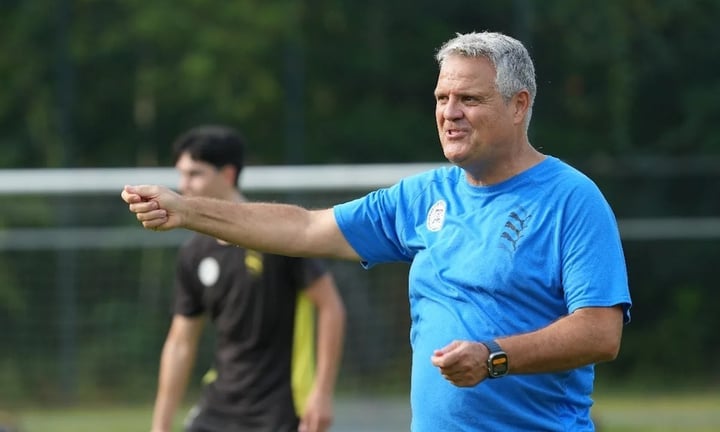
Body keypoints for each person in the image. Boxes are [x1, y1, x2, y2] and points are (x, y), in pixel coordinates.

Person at [123, 32, 632, 431]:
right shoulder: (423, 196)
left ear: (518, 105)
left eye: (469, 99)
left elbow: (600, 331)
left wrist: (495, 357)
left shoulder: (571, 199)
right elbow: (304, 228)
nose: (449, 114)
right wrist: (187, 211)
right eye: (442, 97)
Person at [148, 125, 346, 432]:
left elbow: (331, 307)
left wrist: (321, 393)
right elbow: (181, 341)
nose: (182, 185)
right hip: (219, 406)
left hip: (279, 409)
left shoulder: (277, 237)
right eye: (181, 174)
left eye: (194, 174)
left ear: (227, 175)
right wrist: (160, 425)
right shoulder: (193, 253)